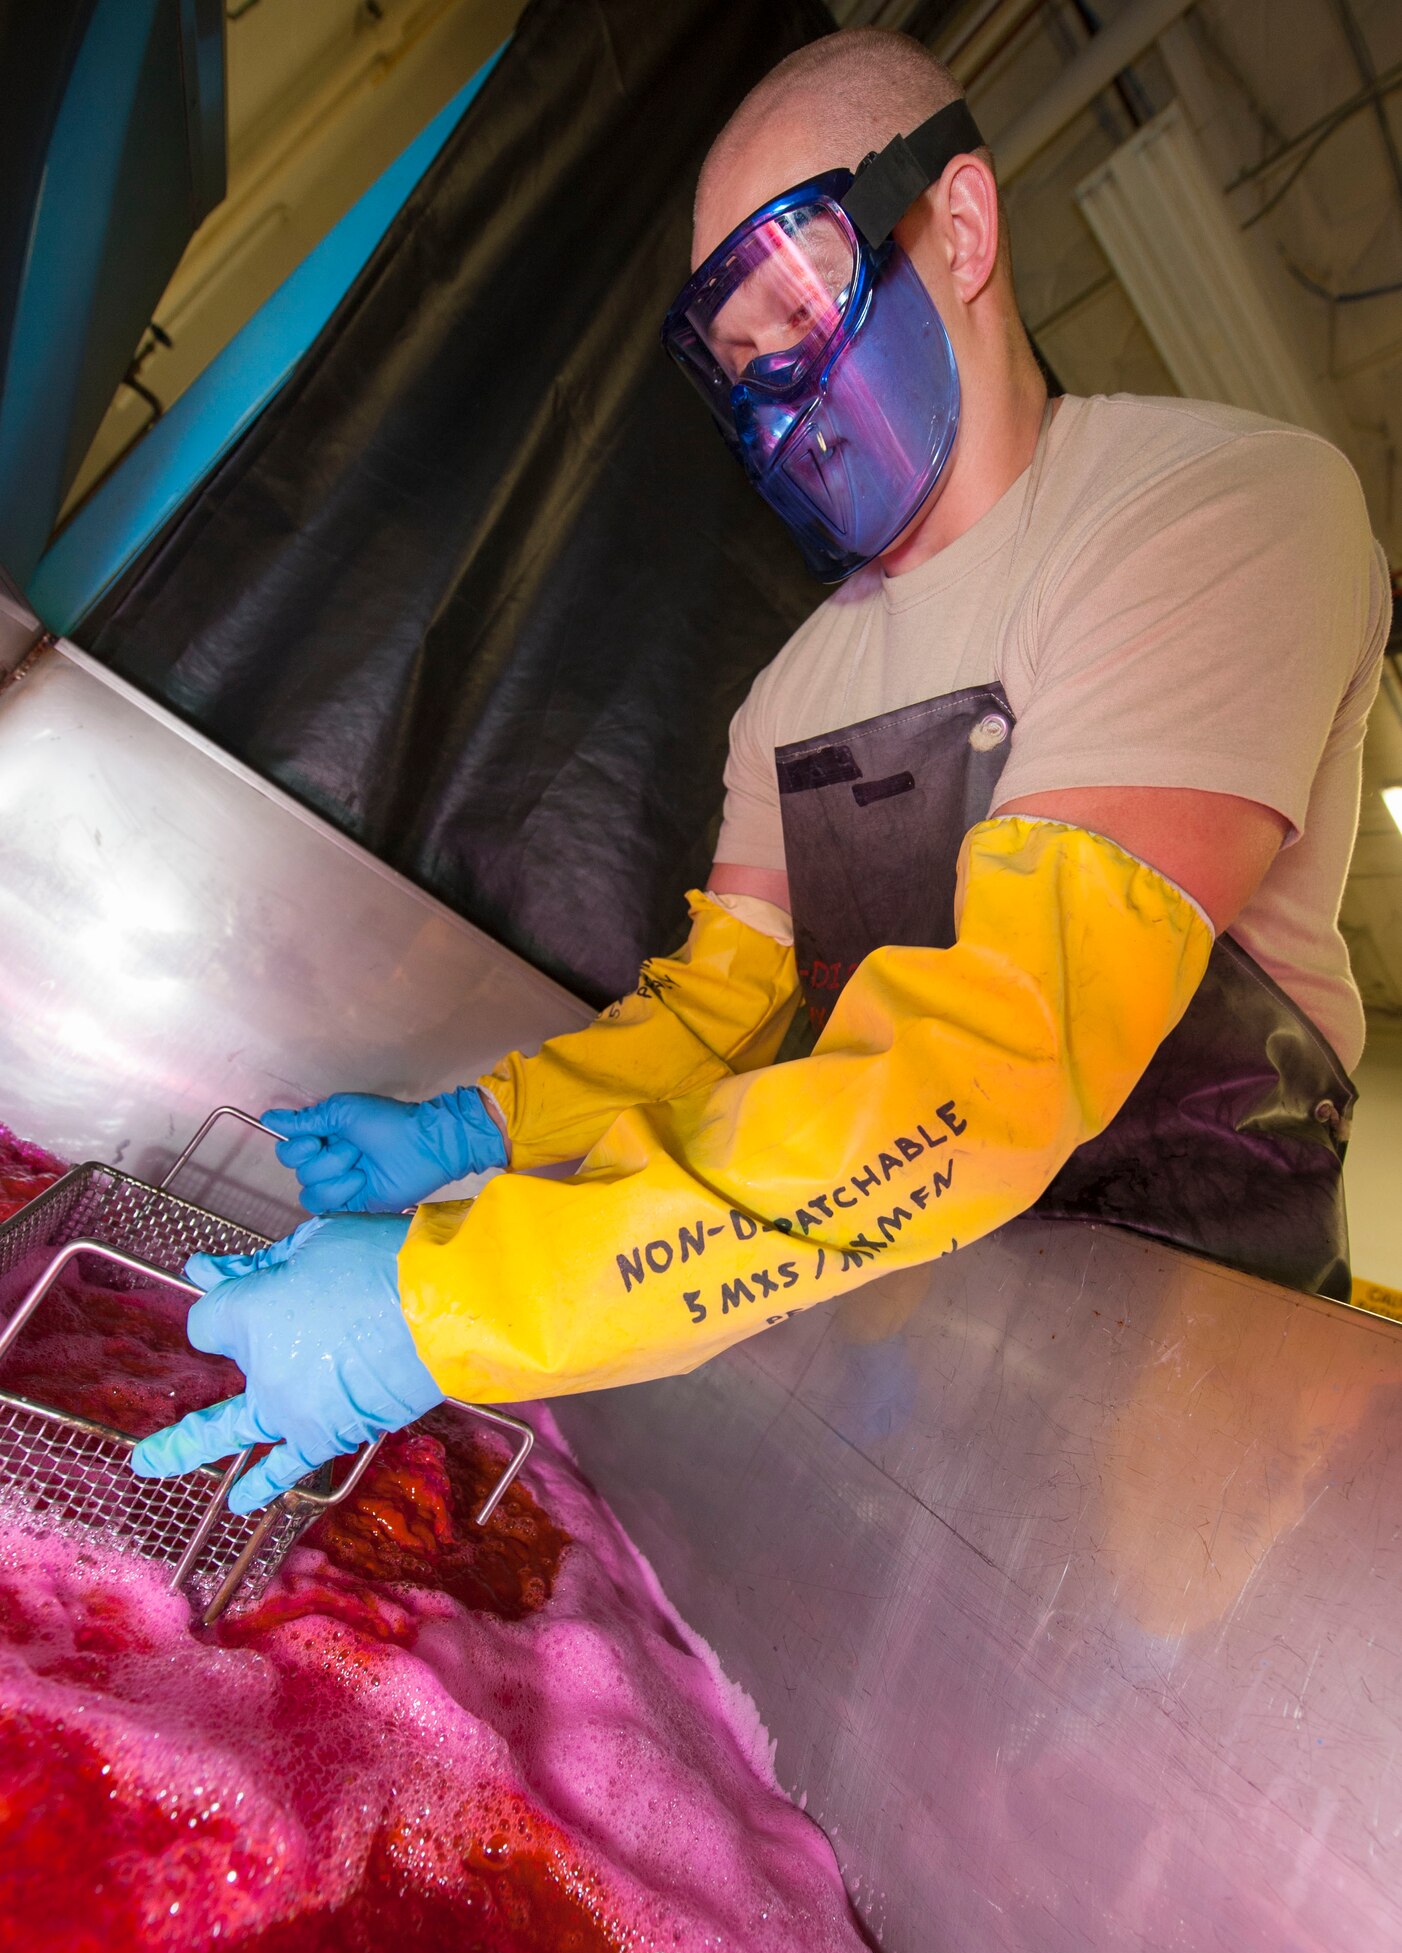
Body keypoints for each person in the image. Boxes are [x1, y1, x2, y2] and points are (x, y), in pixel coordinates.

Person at [133, 28, 1390, 1516]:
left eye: (791, 304)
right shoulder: (793, 688)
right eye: (732, 364)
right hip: (917, 1318)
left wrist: (453, 1300)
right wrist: (474, 1131)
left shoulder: (1213, 509)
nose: (770, 394)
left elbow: (996, 1065)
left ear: (961, 224)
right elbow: (713, 1021)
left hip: (1195, 1399)